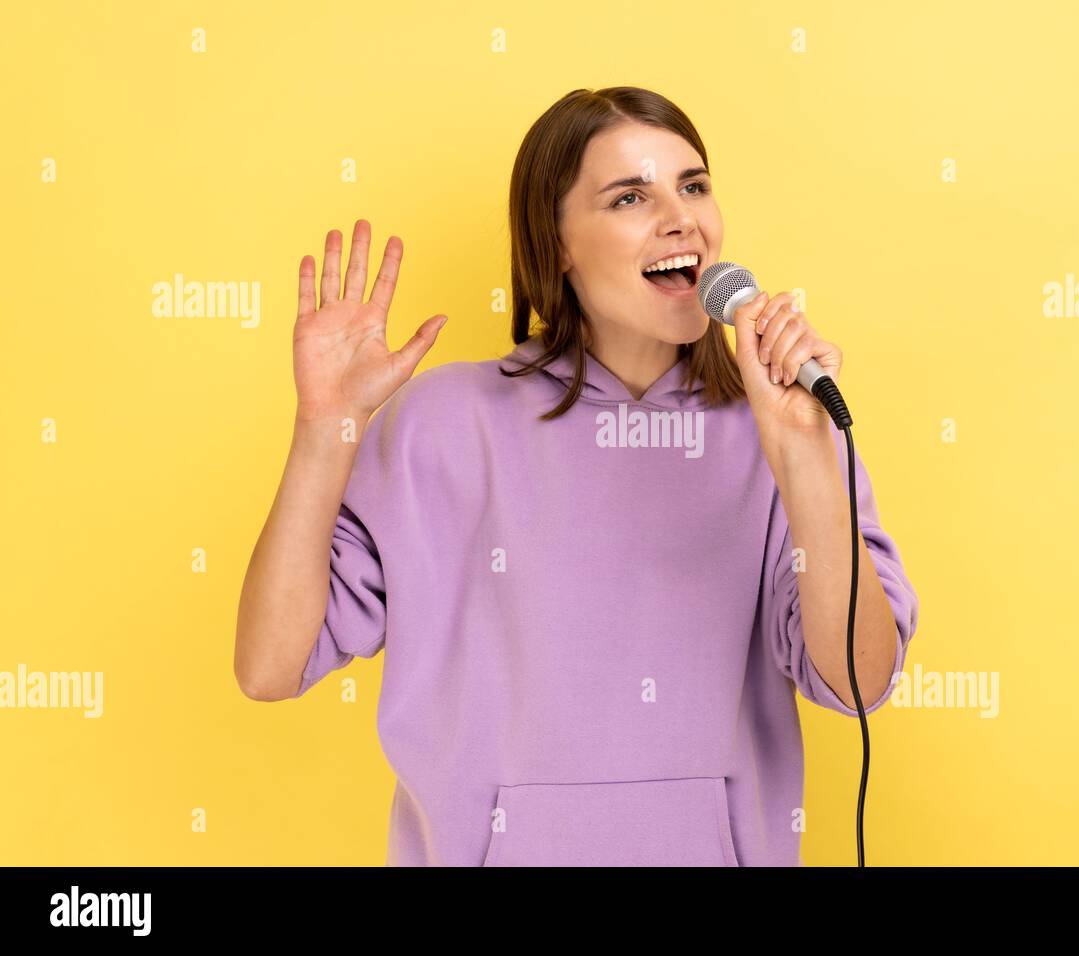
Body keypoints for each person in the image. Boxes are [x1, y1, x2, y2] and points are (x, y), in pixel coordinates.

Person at [234, 86, 919, 866]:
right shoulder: (443, 423)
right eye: (631, 196)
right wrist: (325, 433)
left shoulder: (786, 430)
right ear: (556, 244)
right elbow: (269, 667)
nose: (681, 217)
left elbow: (860, 685)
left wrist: (804, 458)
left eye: (693, 185)